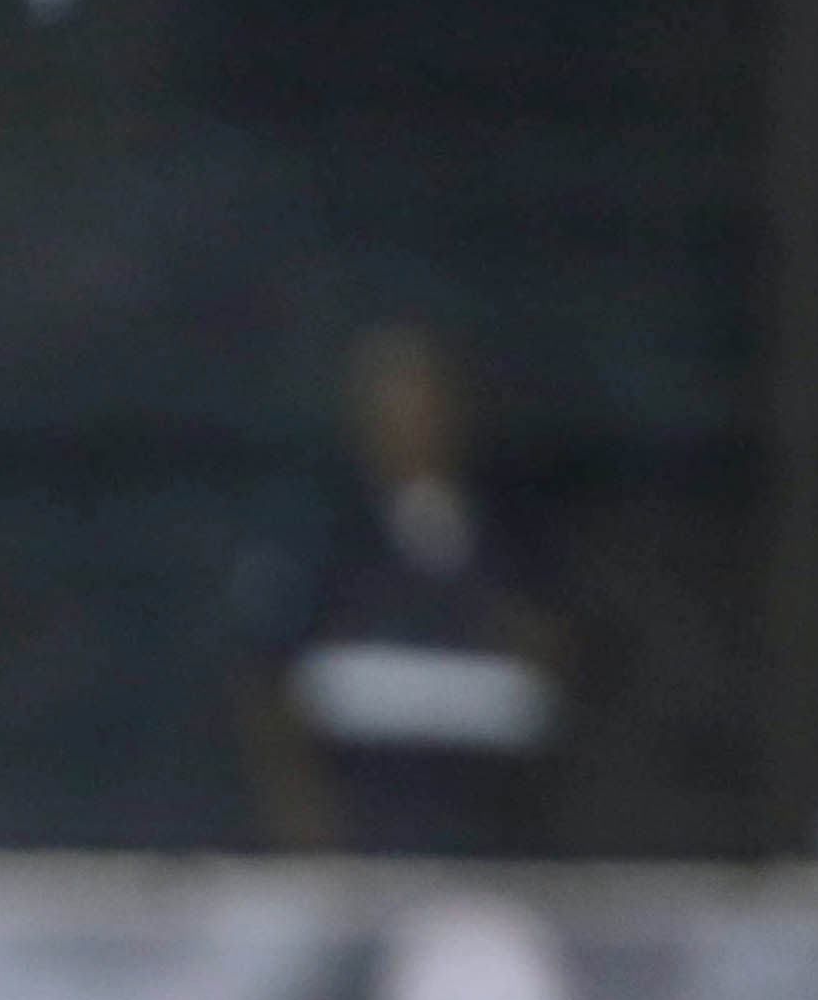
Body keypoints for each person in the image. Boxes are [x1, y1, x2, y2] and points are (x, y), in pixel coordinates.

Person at [232, 324, 567, 856]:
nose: (416, 422)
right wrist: (304, 817)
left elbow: (552, 659)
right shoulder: (317, 536)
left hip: (490, 836)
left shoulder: (515, 533)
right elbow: (266, 685)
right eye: (396, 404)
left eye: (431, 402)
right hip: (356, 828)